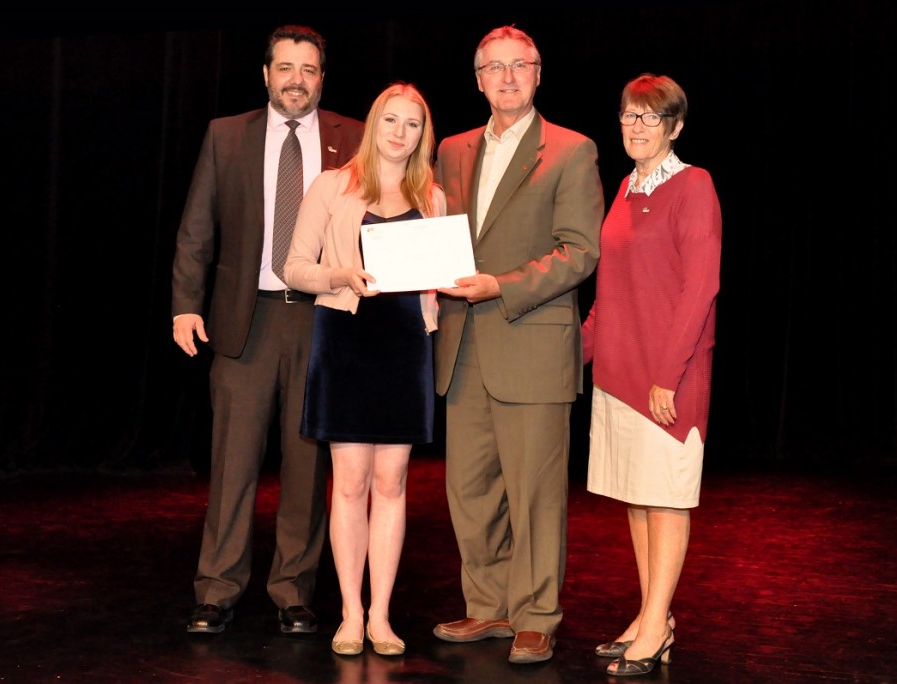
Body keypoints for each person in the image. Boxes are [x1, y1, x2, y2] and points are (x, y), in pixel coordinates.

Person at [171, 25, 364, 635]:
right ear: (266, 74)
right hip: (244, 319)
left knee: (306, 467)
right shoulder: (226, 135)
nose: (296, 80)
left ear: (322, 78)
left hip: (321, 319)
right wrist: (185, 304)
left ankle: (293, 591)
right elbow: (197, 227)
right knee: (232, 462)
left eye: (308, 69)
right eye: (285, 67)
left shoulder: (353, 137)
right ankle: (217, 588)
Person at [430, 25, 604, 665]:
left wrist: (499, 286)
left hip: (529, 340)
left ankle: (536, 615)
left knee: (534, 492)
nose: (506, 78)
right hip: (462, 344)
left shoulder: (571, 149)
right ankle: (489, 607)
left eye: (519, 66)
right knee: (470, 488)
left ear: (538, 74)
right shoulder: (450, 149)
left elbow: (580, 251)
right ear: (477, 79)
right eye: (493, 68)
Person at [283, 82, 445, 657]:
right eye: (391, 121)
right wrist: (341, 276)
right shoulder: (333, 186)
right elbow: (295, 267)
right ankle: (350, 615)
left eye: (413, 125)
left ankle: (381, 616)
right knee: (349, 484)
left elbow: (435, 279)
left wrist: (446, 278)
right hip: (347, 340)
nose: (400, 134)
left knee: (392, 483)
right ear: (373, 125)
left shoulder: (434, 197)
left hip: (405, 347)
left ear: (424, 135)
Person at [581, 73, 722, 677]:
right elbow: (609, 290)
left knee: (665, 502)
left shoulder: (694, 186)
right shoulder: (625, 184)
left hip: (668, 377)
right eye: (628, 116)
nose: (635, 127)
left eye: (649, 117)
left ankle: (659, 622)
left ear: (675, 126)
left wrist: (669, 372)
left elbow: (701, 288)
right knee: (637, 501)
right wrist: (575, 355)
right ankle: (649, 617)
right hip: (619, 372)